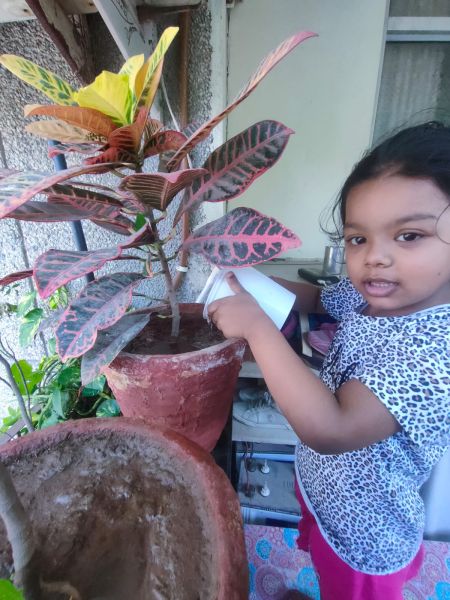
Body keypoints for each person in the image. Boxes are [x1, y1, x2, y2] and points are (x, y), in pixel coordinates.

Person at [208, 122, 450, 600]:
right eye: (358, 239)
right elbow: (319, 297)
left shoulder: (434, 350)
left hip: (365, 537)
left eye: (409, 235)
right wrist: (251, 280)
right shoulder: (374, 297)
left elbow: (333, 429)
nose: (375, 258)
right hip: (329, 496)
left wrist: (257, 327)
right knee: (322, 563)